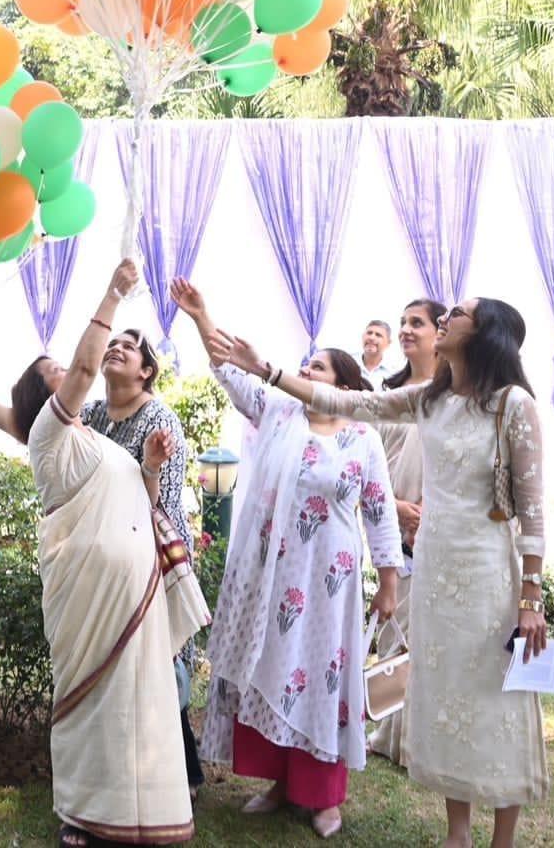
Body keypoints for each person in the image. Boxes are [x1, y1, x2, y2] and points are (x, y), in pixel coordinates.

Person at [212, 296, 548, 848]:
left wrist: (530, 599)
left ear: (485, 333)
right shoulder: (429, 400)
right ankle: (457, 834)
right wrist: (267, 370)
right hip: (436, 569)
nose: (443, 321)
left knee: (496, 699)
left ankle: (502, 840)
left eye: (455, 315)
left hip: (489, 573)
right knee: (445, 701)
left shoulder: (513, 405)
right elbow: (342, 400)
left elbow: (533, 509)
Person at [171, 279, 400, 840]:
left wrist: (389, 581)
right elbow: (229, 371)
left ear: (343, 385)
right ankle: (278, 783)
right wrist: (202, 315)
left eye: (317, 368)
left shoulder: (362, 439)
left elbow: (380, 511)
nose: (306, 372)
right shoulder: (278, 413)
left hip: (330, 586)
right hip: (270, 580)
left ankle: (322, 797)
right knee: (271, 673)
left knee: (320, 682)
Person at [0, 259, 207, 845]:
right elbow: (87, 364)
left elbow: (136, 495)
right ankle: (82, 814)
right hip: (86, 596)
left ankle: (139, 809)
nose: (74, 374)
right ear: (48, 394)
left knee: (134, 704)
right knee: (89, 704)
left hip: (132, 589)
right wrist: (112, 293)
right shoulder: (51, 433)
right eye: (58, 374)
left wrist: (154, 467)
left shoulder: (93, 437)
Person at [0, 316, 201, 795]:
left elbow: (161, 507)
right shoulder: (93, 414)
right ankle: (124, 784)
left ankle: (179, 776)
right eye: (115, 342)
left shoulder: (160, 421)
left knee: (161, 671)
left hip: (148, 557)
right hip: (98, 566)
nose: (118, 347)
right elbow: (30, 427)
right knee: (114, 675)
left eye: (130, 346)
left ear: (147, 371)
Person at [368, 297, 447, 764]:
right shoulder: (388, 394)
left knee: (428, 640)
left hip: (438, 530)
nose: (405, 330)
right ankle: (389, 733)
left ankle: (419, 739)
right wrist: (393, 508)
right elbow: (369, 465)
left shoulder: (454, 396)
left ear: (442, 331)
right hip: (391, 526)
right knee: (394, 634)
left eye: (416, 322)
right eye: (401, 322)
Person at [357, 320, 394, 387]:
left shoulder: (395, 372)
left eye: (378, 335)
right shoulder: (347, 363)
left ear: (388, 343)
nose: (371, 338)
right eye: (369, 333)